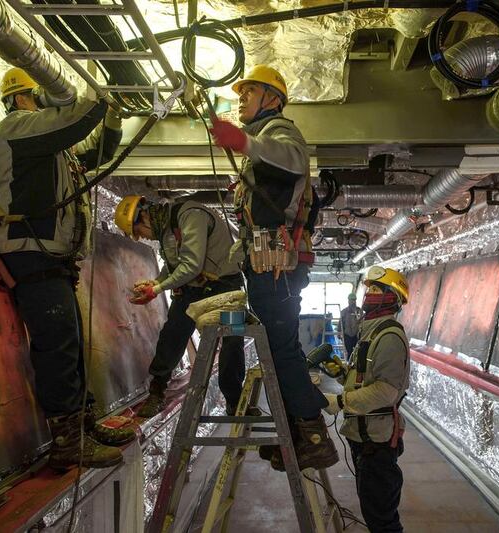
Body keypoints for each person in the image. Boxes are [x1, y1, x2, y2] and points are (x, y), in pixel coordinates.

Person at [0, 67, 133, 471]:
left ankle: (83, 427)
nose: (46, 103)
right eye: (39, 95)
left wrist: (115, 116)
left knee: (69, 343)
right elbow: (70, 124)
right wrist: (98, 94)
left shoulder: (51, 151)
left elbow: (95, 155)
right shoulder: (15, 129)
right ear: (21, 98)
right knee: (57, 346)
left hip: (48, 257)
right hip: (31, 252)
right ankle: (68, 442)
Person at [209, 65, 338, 471]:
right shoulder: (265, 138)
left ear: (273, 98)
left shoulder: (279, 133)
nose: (242, 97)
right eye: (241, 92)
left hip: (276, 267)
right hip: (267, 265)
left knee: (281, 351)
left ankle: (314, 436)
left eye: (250, 91)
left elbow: (295, 160)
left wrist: (245, 142)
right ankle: (297, 434)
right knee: (280, 350)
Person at [114, 196, 246, 417]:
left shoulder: (190, 216)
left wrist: (156, 290)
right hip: (193, 289)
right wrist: (157, 281)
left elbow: (191, 265)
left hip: (226, 290)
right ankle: (156, 392)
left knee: (233, 341)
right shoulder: (167, 228)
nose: (142, 237)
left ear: (144, 217)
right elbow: (174, 263)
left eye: (138, 231)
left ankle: (234, 401)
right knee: (172, 334)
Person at [323, 266, 410, 533]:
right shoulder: (370, 332)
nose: (368, 294)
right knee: (373, 508)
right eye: (368, 288)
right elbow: (366, 378)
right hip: (365, 438)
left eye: (376, 289)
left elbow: (386, 391)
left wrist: (340, 401)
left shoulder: (389, 337)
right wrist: (342, 375)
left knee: (381, 518)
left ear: (391, 298)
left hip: (378, 441)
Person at [340, 292, 363, 360]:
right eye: (351, 300)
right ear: (348, 301)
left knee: (358, 352)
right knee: (349, 351)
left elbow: (363, 322)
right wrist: (339, 332)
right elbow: (340, 323)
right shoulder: (344, 311)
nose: (353, 302)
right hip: (347, 334)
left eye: (354, 300)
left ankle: (356, 365)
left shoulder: (360, 311)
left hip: (357, 335)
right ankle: (349, 365)